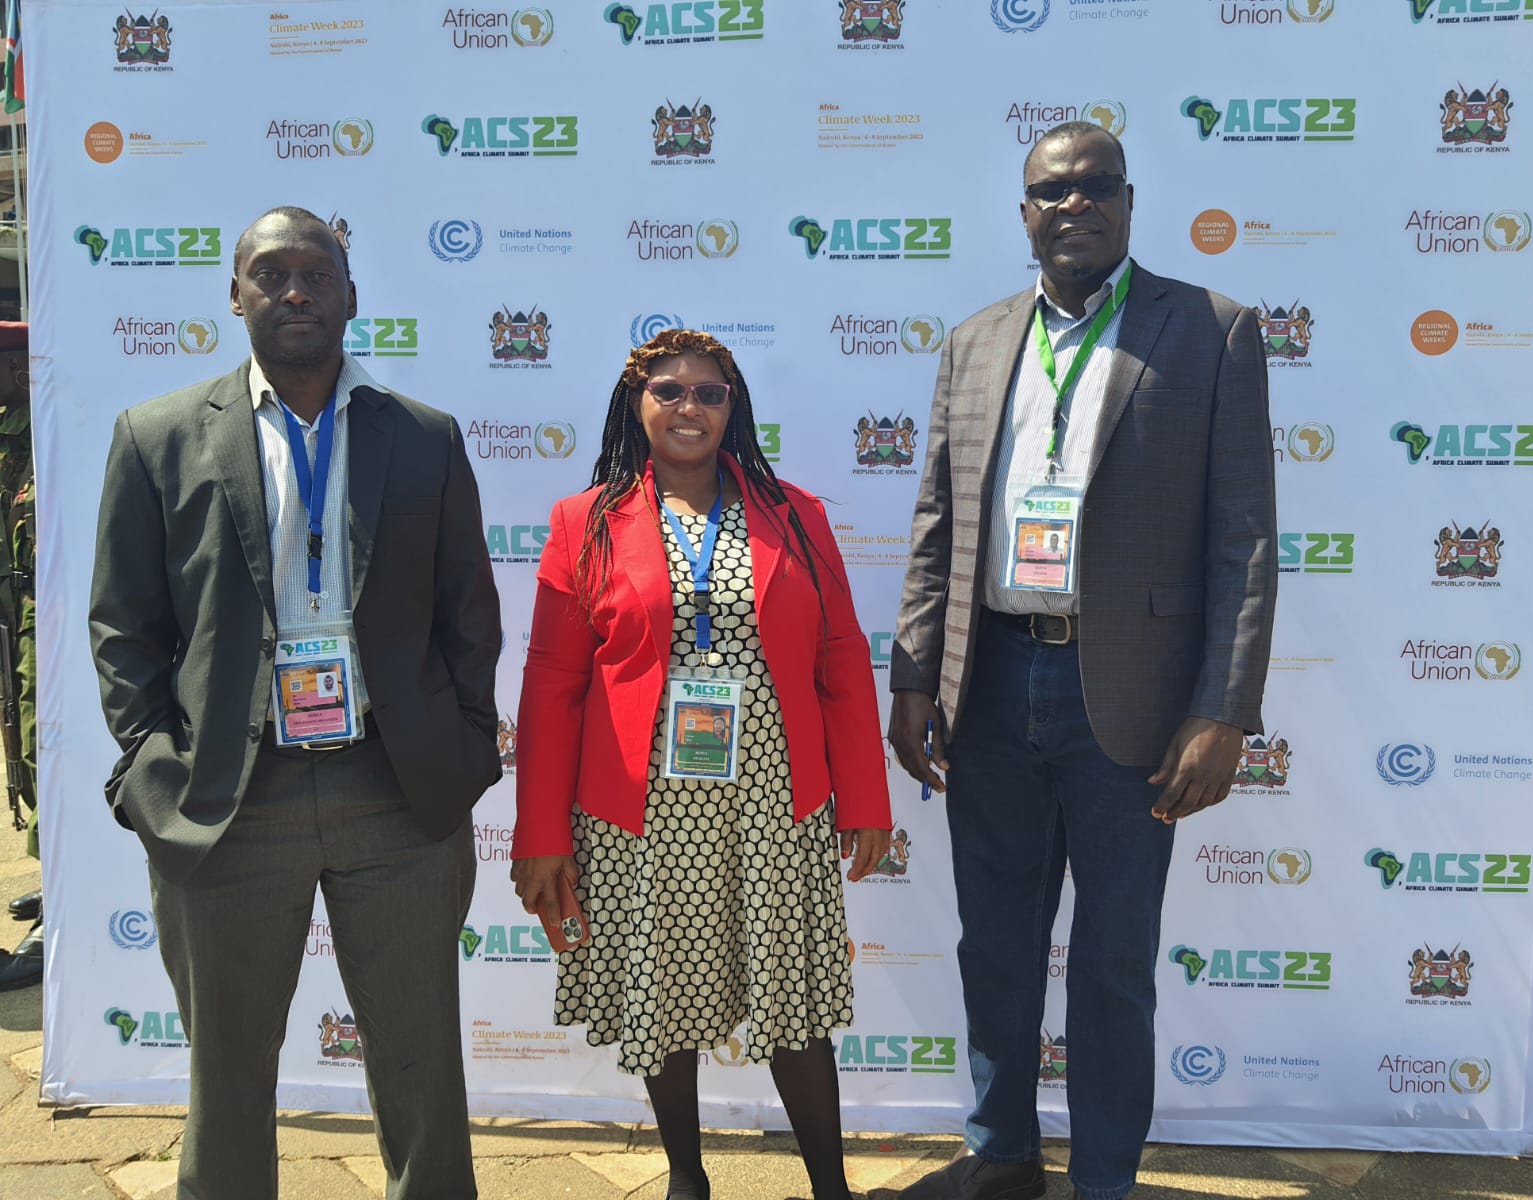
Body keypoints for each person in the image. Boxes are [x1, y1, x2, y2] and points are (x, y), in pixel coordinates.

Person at [887, 122, 1276, 1200]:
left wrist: (1224, 709)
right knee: (995, 943)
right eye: (1050, 191)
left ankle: (1106, 1175)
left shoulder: (1210, 331)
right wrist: (913, 671)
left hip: (1133, 701)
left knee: (1111, 961)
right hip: (992, 683)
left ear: (1128, 199)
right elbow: (937, 522)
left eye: (1095, 186)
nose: (1074, 205)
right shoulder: (972, 342)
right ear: (1024, 213)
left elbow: (1244, 534)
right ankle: (1001, 1151)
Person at [88, 206, 501, 1200]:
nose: (296, 291)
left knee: (422, 1071)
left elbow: (468, 618)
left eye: (316, 272)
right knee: (226, 1082)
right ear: (235, 297)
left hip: (395, 797)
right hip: (230, 797)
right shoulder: (157, 437)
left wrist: (457, 751)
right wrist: (154, 771)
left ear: (352, 296)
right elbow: (122, 628)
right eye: (270, 274)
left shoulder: (426, 440)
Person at [510, 328, 891, 1200]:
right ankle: (688, 1177)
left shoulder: (796, 514)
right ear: (634, 405)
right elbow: (553, 686)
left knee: (794, 1002)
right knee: (664, 992)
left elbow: (839, 660)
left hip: (774, 801)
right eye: (668, 391)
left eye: (710, 393)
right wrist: (540, 832)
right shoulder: (586, 522)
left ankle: (829, 1186)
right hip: (642, 813)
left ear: (735, 406)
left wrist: (866, 802)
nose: (690, 407)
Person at [0, 324, 39, 991]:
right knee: (20, 757)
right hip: (16, 609)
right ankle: (52, 881)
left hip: (44, 613)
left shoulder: (47, 423)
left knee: (39, 752)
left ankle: (59, 908)